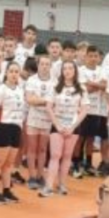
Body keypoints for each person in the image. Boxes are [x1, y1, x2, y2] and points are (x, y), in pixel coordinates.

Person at [41, 60, 88, 198]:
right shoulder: (55, 87)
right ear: (61, 71)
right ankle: (48, 186)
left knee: (67, 156)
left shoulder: (81, 88)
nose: (67, 71)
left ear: (75, 71)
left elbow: (85, 109)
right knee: (55, 155)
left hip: (73, 127)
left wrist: (73, 127)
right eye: (65, 68)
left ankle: (62, 185)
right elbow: (49, 107)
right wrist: (57, 125)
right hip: (57, 126)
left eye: (70, 68)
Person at [0, 61, 25, 203]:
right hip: (3, 127)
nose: (14, 74)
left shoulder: (20, 90)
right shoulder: (1, 90)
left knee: (9, 163)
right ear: (6, 73)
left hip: (16, 128)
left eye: (16, 72)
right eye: (11, 71)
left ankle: (6, 190)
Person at [24, 55, 55, 189]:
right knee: (31, 149)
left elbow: (55, 102)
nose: (44, 67)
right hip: (33, 119)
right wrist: (46, 101)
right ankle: (31, 176)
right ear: (38, 65)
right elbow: (29, 99)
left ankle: (39, 175)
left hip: (47, 120)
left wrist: (38, 100)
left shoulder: (55, 82)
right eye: (42, 64)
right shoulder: (31, 80)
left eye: (47, 64)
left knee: (42, 149)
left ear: (50, 66)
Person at [77, 45, 107, 176]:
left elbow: (105, 86)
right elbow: (85, 90)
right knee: (80, 138)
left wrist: (90, 83)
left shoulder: (102, 70)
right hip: (83, 110)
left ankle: (88, 164)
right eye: (91, 56)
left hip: (97, 111)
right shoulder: (80, 70)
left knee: (91, 138)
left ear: (99, 58)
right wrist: (97, 85)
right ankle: (76, 162)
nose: (93, 58)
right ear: (86, 57)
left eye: (96, 56)